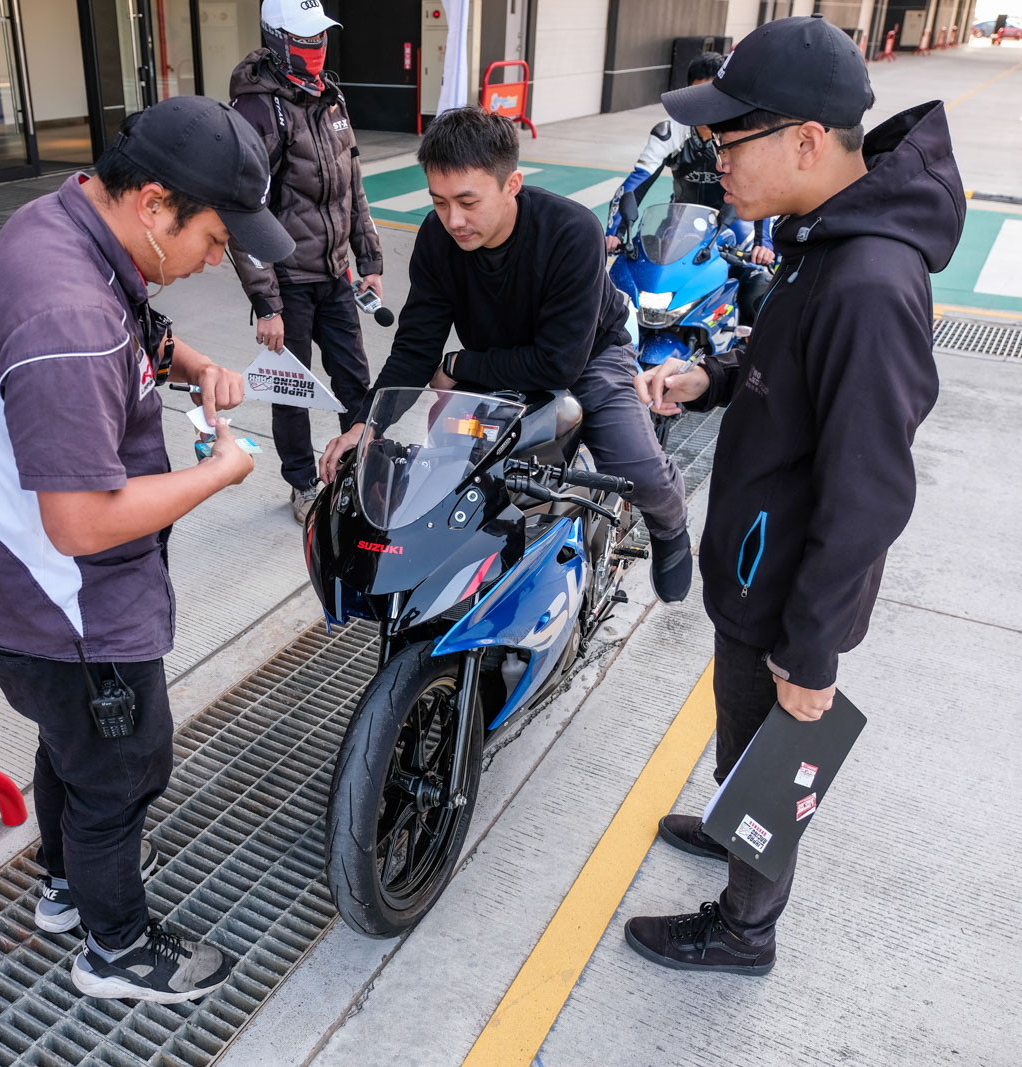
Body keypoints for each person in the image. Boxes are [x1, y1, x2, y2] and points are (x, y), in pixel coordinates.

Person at [622, 13, 961, 974]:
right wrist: (713, 378)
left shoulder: (868, 281)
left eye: (730, 138)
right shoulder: (821, 236)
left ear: (806, 141)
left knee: (777, 755)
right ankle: (735, 818)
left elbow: (868, 494)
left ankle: (743, 927)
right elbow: (782, 353)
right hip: (757, 567)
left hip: (791, 596)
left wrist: (812, 654)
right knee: (740, 731)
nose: (714, 157)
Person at [0, 96, 294, 1003]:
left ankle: (65, 888)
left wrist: (196, 363)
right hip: (64, 603)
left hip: (15, 591)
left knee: (72, 748)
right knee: (123, 768)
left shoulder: (65, 226)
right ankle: (116, 949)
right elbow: (83, 522)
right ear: (152, 203)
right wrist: (223, 470)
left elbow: (135, 328)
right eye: (216, 238)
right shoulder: (65, 315)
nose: (220, 260)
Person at [319, 107, 694, 604]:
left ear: (512, 183)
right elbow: (415, 346)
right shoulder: (437, 238)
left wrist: (458, 366)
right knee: (448, 480)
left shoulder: (572, 231)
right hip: (497, 367)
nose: (453, 220)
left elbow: (559, 365)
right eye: (439, 202)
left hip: (587, 357)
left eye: (468, 202)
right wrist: (366, 427)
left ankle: (672, 528)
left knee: (638, 471)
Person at [229, 0, 384, 526]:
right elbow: (245, 212)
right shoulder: (256, 111)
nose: (315, 48)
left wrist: (370, 258)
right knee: (292, 392)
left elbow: (352, 189)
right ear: (276, 39)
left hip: (336, 275)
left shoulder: (332, 98)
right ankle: (301, 482)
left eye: (320, 37)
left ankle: (361, 468)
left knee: (355, 382)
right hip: (289, 282)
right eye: (304, 38)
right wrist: (266, 304)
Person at [604, 51, 775, 323]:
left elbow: (761, 187)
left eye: (712, 93)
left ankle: (746, 340)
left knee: (759, 277)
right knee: (641, 266)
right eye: (698, 93)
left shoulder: (740, 132)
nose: (705, 103)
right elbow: (637, 181)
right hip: (681, 219)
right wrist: (614, 231)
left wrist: (762, 243)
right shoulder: (671, 131)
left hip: (735, 219)